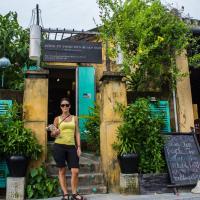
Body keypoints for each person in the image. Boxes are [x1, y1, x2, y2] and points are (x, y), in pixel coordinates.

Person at [51, 97, 84, 200]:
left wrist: (79, 147)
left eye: (67, 105)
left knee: (75, 170)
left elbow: (77, 133)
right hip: (59, 146)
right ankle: (65, 194)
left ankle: (74, 193)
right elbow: (52, 133)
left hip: (71, 147)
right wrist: (54, 133)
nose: (65, 107)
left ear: (70, 106)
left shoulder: (75, 118)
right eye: (62, 105)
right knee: (62, 170)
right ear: (60, 107)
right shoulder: (57, 119)